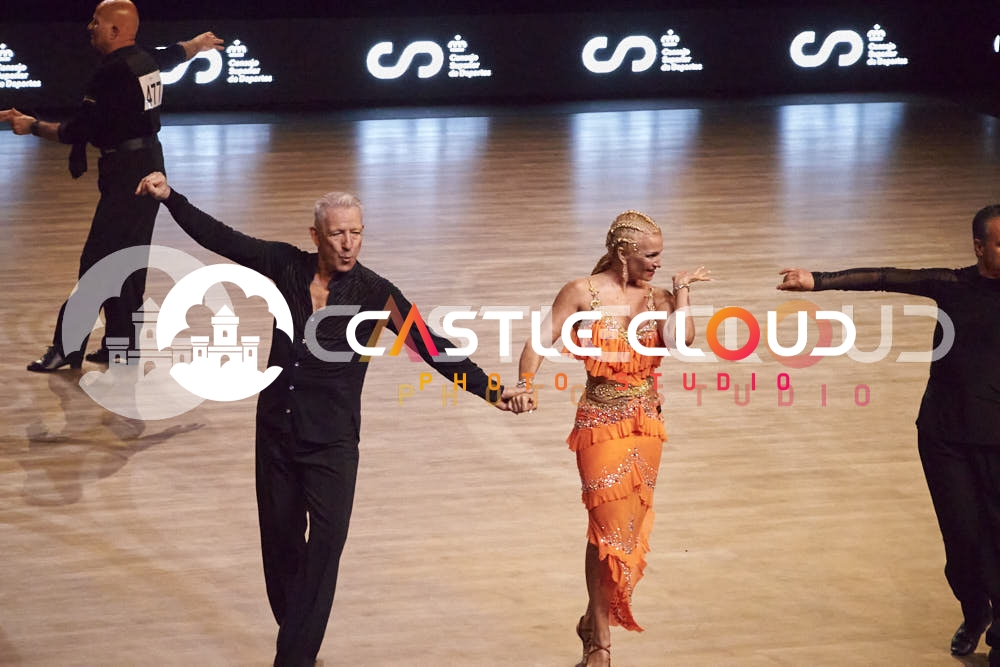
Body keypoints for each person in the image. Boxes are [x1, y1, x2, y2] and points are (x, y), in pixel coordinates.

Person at [135, 170, 520, 666]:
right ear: (315, 235)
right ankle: (297, 639)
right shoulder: (284, 264)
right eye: (337, 233)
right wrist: (171, 198)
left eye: (356, 232)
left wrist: (492, 391)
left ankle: (293, 656)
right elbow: (222, 238)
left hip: (332, 442)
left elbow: (430, 346)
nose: (348, 243)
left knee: (325, 548)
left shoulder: (376, 293)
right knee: (280, 548)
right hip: (276, 430)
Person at [777, 204, 1000, 665]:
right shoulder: (952, 285)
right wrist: (817, 280)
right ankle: (976, 611)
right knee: (962, 541)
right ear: (979, 247)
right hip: (946, 437)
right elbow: (885, 276)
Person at [510, 210, 710, 667]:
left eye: (660, 255)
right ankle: (600, 642)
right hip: (599, 421)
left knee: (626, 532)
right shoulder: (582, 292)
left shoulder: (660, 297)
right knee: (606, 529)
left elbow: (680, 341)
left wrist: (682, 293)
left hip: (646, 424)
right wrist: (524, 383)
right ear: (623, 253)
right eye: (650, 256)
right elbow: (541, 339)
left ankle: (591, 620)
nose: (657, 263)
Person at [0, 0, 223, 372]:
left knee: (97, 262)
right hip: (150, 164)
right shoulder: (144, 60)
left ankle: (67, 348)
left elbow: (76, 131)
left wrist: (32, 126)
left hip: (127, 173)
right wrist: (197, 45)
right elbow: (173, 55)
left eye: (96, 22)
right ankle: (123, 346)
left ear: (116, 30)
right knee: (128, 260)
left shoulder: (112, 73)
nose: (90, 26)